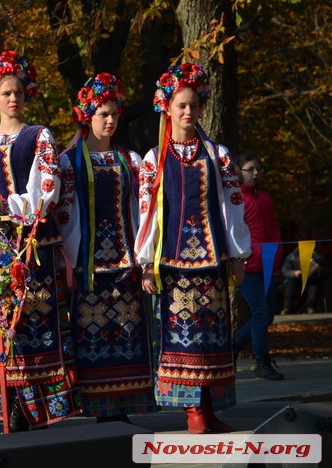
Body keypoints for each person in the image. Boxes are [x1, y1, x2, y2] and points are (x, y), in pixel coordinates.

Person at [0, 50, 81, 431]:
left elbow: (47, 188)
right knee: (4, 330)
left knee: (38, 325)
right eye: (6, 93)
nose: (13, 99)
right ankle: (15, 405)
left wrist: (9, 204)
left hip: (36, 250)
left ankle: (45, 408)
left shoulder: (39, 135)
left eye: (19, 92)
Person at [135, 63, 251, 434]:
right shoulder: (155, 158)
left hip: (212, 259)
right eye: (180, 106)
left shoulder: (218, 155)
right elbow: (147, 213)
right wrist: (146, 263)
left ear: (201, 108)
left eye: (193, 106)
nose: (187, 112)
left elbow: (231, 206)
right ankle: (192, 412)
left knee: (212, 336)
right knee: (182, 339)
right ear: (167, 109)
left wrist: (237, 254)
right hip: (173, 264)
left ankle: (209, 406)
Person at [55, 73, 155, 422]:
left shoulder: (131, 160)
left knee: (127, 334)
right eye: (103, 115)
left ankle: (126, 405)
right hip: (88, 268)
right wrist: (70, 261)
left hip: (124, 264)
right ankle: (97, 407)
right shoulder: (68, 162)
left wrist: (145, 259)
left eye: (114, 114)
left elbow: (141, 211)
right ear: (87, 117)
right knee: (93, 335)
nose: (110, 120)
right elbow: (63, 213)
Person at [231, 153, 284, 380]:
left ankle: (233, 346)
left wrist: (278, 251)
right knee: (261, 312)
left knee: (268, 315)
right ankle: (262, 362)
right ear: (238, 172)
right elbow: (234, 233)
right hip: (247, 266)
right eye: (250, 169)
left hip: (268, 263)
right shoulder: (235, 199)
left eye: (258, 169)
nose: (255, 173)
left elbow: (273, 227)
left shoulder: (265, 197)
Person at [280, 247, 331, 315]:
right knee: (290, 283)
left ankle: (311, 308)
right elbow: (285, 270)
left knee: (314, 286)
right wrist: (294, 273)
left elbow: (328, 270)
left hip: (312, 280)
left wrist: (320, 270)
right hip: (297, 280)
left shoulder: (318, 257)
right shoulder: (291, 257)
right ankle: (287, 308)